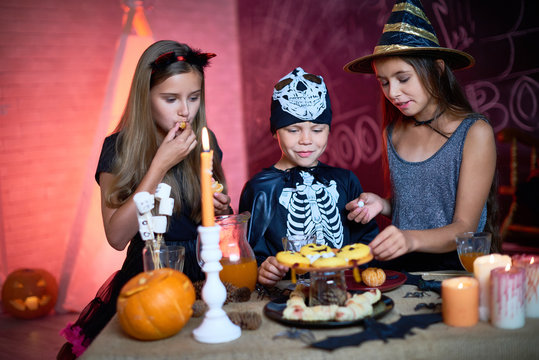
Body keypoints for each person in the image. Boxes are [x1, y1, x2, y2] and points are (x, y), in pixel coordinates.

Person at [58, 40, 232, 359]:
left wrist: (221, 209)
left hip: (204, 278)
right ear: (146, 97)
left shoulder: (206, 141)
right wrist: (160, 165)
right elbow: (116, 236)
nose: (185, 110)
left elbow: (218, 223)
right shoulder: (118, 149)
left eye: (193, 98)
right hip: (149, 280)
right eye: (170, 99)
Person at [342, 0, 498, 271]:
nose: (393, 93)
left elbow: (464, 228)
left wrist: (409, 239)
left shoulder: (474, 133)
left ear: (437, 70)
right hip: (400, 270)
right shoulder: (393, 132)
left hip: (453, 270)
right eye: (384, 83)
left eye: (403, 79)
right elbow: (418, 205)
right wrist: (384, 205)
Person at [239, 67, 379, 287]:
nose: (306, 140)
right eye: (293, 130)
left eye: (317, 129)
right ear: (275, 131)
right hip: (286, 296)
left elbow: (367, 243)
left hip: (346, 291)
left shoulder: (345, 180)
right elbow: (250, 254)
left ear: (329, 130)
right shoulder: (259, 188)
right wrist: (263, 269)